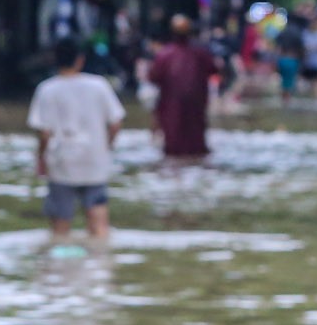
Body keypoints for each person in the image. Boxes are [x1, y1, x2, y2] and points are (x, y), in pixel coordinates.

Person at [29, 35, 125, 238]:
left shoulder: (47, 89)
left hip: (62, 162)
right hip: (94, 161)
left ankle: (60, 268)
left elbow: (44, 132)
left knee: (60, 230)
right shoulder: (99, 85)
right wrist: (106, 146)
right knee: (99, 225)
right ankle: (100, 267)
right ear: (80, 59)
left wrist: (41, 158)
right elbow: (116, 122)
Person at [147, 15, 219, 159]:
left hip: (173, 107)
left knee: (174, 146)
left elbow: (153, 77)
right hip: (193, 105)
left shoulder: (165, 54)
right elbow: (214, 69)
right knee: (195, 143)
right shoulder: (200, 53)